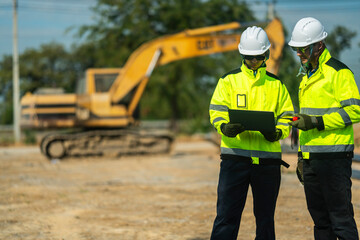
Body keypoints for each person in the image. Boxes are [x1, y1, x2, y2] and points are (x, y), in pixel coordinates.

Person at [209, 26, 294, 240]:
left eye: (257, 57)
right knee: (226, 217)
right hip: (234, 160)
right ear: (242, 55)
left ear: (266, 55)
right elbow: (217, 111)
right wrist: (223, 127)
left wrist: (278, 132)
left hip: (267, 163)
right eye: (249, 58)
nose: (253, 62)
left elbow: (288, 116)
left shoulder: (277, 85)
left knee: (265, 219)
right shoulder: (228, 81)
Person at [288, 17, 360, 240]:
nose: (299, 54)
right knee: (320, 222)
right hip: (311, 159)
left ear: (319, 46)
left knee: (341, 219)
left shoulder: (339, 73)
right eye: (296, 49)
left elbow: (355, 111)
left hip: (334, 158)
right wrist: (301, 155)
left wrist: (317, 122)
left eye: (303, 49)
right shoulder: (306, 77)